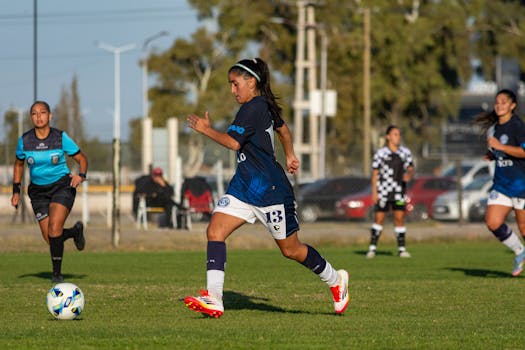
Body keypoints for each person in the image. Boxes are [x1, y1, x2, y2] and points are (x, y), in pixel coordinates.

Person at [184, 58, 349, 318]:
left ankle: (336, 280)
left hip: (270, 191)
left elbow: (233, 143)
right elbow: (283, 131)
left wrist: (206, 130)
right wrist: (291, 155)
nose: (232, 90)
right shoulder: (263, 106)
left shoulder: (253, 108)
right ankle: (214, 298)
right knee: (215, 231)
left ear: (252, 82)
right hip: (244, 187)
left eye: (235, 83)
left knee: (291, 250)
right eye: (230, 84)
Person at [10, 101, 88, 283]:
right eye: (34, 114)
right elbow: (18, 165)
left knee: (54, 228)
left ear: (50, 116)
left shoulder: (60, 138)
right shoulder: (25, 141)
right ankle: (75, 232)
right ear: (31, 117)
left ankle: (56, 275)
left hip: (62, 186)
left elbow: (82, 158)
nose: (39, 116)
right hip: (38, 192)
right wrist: (16, 191)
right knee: (50, 237)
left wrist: (81, 175)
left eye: (42, 113)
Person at [474, 88, 525, 276]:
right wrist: (493, 155)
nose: (499, 105)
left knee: (524, 229)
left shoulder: (518, 126)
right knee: (492, 222)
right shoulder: (494, 128)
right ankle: (520, 251)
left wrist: (500, 147)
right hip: (502, 184)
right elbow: (503, 152)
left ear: (513, 106)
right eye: (497, 102)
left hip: (521, 186)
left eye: (504, 102)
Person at [366, 125, 415, 259]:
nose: (397, 137)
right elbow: (375, 173)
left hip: (399, 191)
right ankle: (372, 249)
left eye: (399, 134)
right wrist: (374, 192)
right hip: (383, 191)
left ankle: (402, 249)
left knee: (399, 218)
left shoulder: (405, 152)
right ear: (388, 137)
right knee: (379, 219)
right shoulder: (380, 153)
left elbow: (411, 168)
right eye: (395, 134)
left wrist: (409, 175)